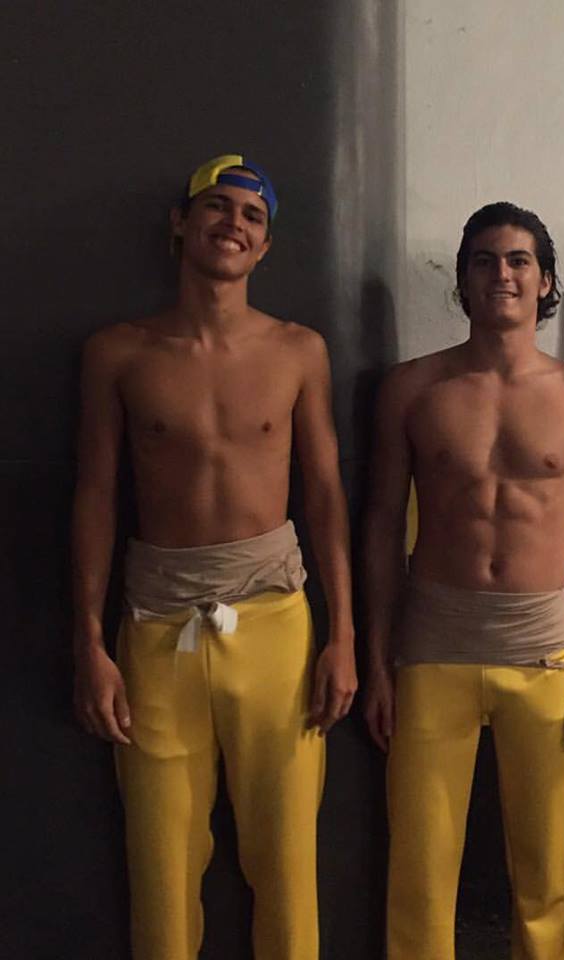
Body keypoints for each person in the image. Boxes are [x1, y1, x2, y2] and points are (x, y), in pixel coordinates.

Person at [71, 154, 357, 960]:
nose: (234, 224)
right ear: (181, 222)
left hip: (275, 622)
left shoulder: (298, 351)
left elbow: (325, 494)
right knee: (161, 868)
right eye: (217, 207)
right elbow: (96, 496)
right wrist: (88, 641)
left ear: (265, 246)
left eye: (252, 216)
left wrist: (343, 635)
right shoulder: (119, 353)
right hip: (157, 623)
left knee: (287, 864)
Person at [363, 201, 564, 960]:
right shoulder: (413, 389)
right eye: (484, 260)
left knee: (544, 875)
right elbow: (381, 525)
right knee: (419, 869)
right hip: (432, 647)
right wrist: (377, 662)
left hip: (543, 650)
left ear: (545, 281)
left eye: (518, 261)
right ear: (463, 280)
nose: (502, 274)